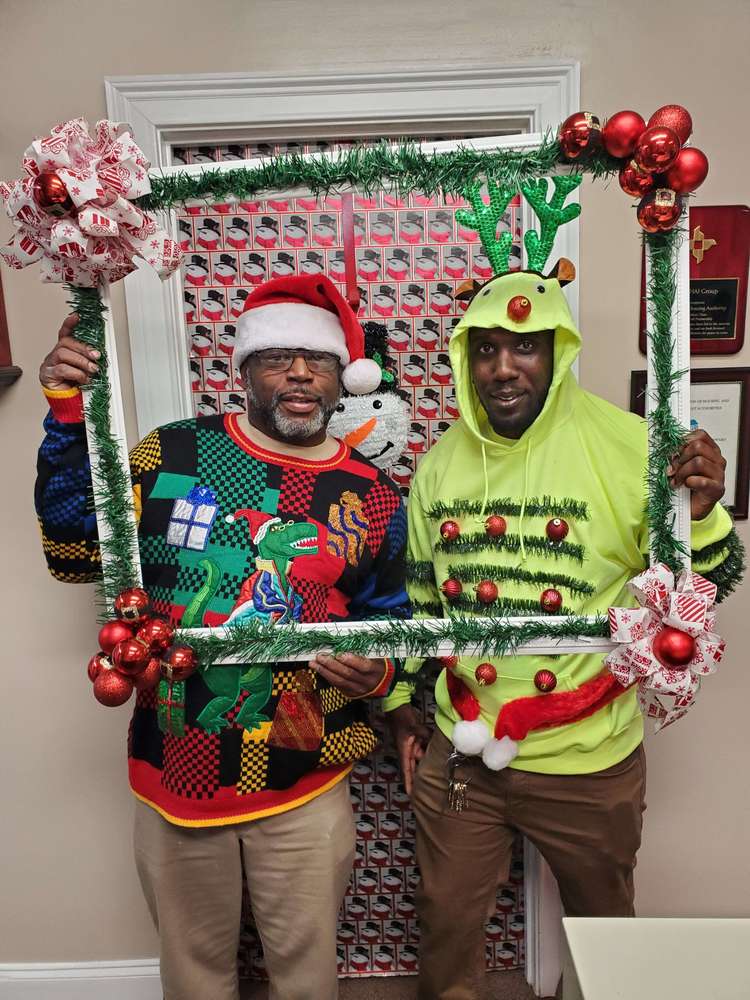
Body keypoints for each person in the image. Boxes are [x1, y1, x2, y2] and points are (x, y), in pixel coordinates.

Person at [35, 274, 409, 1000]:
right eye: (278, 356)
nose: (299, 372)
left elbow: (391, 617)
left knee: (306, 981)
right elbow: (73, 547)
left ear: (343, 380)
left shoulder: (374, 495)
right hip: (177, 767)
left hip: (304, 776)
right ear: (241, 370)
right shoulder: (169, 455)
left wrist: (383, 674)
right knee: (196, 979)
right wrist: (64, 413)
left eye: (318, 358)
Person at [384, 259, 743, 1000]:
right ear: (465, 358)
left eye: (526, 345)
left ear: (559, 352)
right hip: (465, 749)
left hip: (590, 756)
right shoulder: (439, 465)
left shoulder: (632, 447)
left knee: (607, 932)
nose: (504, 368)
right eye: (485, 348)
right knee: (446, 925)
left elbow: (708, 584)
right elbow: (420, 602)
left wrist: (704, 513)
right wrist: (402, 705)